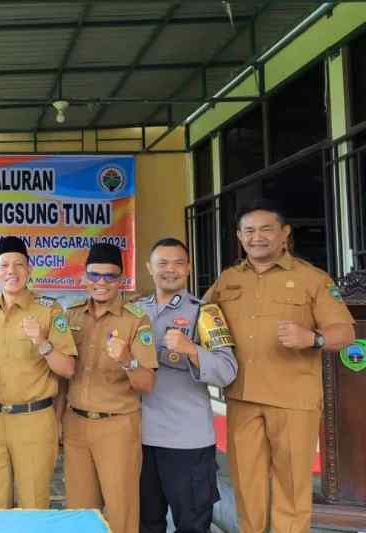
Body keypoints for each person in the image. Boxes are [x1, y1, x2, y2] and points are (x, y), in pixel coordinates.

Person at [205, 200, 355, 533]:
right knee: (246, 485)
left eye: (266, 229)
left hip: (293, 399)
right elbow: (203, 320)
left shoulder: (312, 279)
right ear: (239, 237)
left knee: (291, 487)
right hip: (242, 397)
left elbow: (345, 333)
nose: (257, 238)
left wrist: (312, 338)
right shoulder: (227, 280)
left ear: (284, 234)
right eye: (249, 231)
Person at [137, 238, 238, 533]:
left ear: (189, 268)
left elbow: (227, 371)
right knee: (146, 522)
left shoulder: (204, 313)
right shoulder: (134, 311)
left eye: (178, 263)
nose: (170, 270)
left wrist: (192, 349)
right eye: (162, 264)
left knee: (193, 524)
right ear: (149, 268)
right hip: (140, 438)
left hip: (186, 440)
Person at [62, 243, 157, 533]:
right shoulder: (72, 316)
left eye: (110, 276)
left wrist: (127, 359)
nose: (101, 283)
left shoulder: (136, 319)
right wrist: (57, 423)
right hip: (76, 425)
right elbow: (63, 378)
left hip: (117, 427)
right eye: (95, 275)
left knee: (121, 513)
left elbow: (147, 383)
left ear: (121, 280)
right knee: (80, 515)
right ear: (84, 277)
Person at [0, 236, 77, 509]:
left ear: (30, 269)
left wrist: (43, 344)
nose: (12, 271)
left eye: (19, 264)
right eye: (4, 265)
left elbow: (68, 369)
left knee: (34, 506)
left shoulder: (49, 310)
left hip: (34, 420)